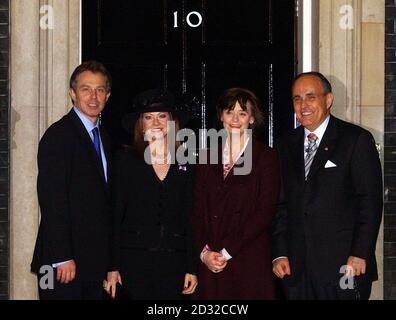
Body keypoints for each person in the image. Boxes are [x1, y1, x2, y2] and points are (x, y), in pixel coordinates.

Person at [271, 72, 383, 300]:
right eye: (297, 99)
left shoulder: (356, 139)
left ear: (328, 99)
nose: (303, 106)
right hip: (296, 271)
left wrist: (360, 253)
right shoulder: (285, 144)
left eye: (311, 97)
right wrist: (279, 253)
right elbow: (280, 204)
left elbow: (369, 201)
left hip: (344, 266)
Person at [104, 88, 198, 300]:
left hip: (175, 263)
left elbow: (190, 218)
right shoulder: (125, 160)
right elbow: (114, 215)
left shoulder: (187, 161)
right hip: (132, 264)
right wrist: (112, 266)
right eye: (148, 117)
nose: (156, 123)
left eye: (162, 116)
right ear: (141, 124)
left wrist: (192, 268)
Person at [30, 61, 112, 299]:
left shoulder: (106, 138)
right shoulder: (58, 136)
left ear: (108, 95)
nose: (93, 96)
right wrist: (62, 257)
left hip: (93, 262)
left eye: (99, 90)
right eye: (86, 89)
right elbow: (52, 200)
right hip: (59, 265)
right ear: (72, 93)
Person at [192, 88, 280, 299]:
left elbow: (264, 212)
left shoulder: (265, 157)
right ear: (221, 116)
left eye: (242, 113)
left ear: (251, 119)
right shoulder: (207, 157)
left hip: (247, 260)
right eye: (229, 111)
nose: (235, 119)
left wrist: (227, 251)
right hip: (211, 262)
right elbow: (196, 210)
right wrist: (204, 254)